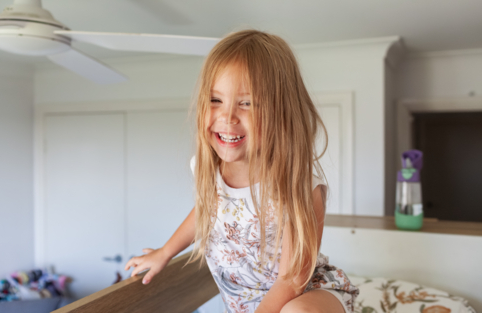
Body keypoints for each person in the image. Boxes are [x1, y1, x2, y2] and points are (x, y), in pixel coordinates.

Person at [124, 30, 359, 313]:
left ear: (281, 112)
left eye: (246, 103)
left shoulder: (300, 186)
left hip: (305, 292)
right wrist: (165, 252)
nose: (227, 116)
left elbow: (292, 279)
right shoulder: (208, 168)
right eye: (215, 100)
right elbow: (205, 211)